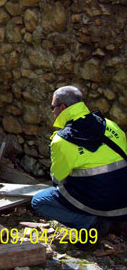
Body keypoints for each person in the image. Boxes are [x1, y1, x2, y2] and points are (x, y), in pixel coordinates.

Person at [31, 86, 127, 246]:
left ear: (62, 108)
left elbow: (58, 179)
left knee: (39, 201)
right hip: (124, 201)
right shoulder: (110, 125)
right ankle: (114, 220)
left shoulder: (62, 141)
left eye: (52, 107)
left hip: (99, 202)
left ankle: (90, 223)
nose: (52, 112)